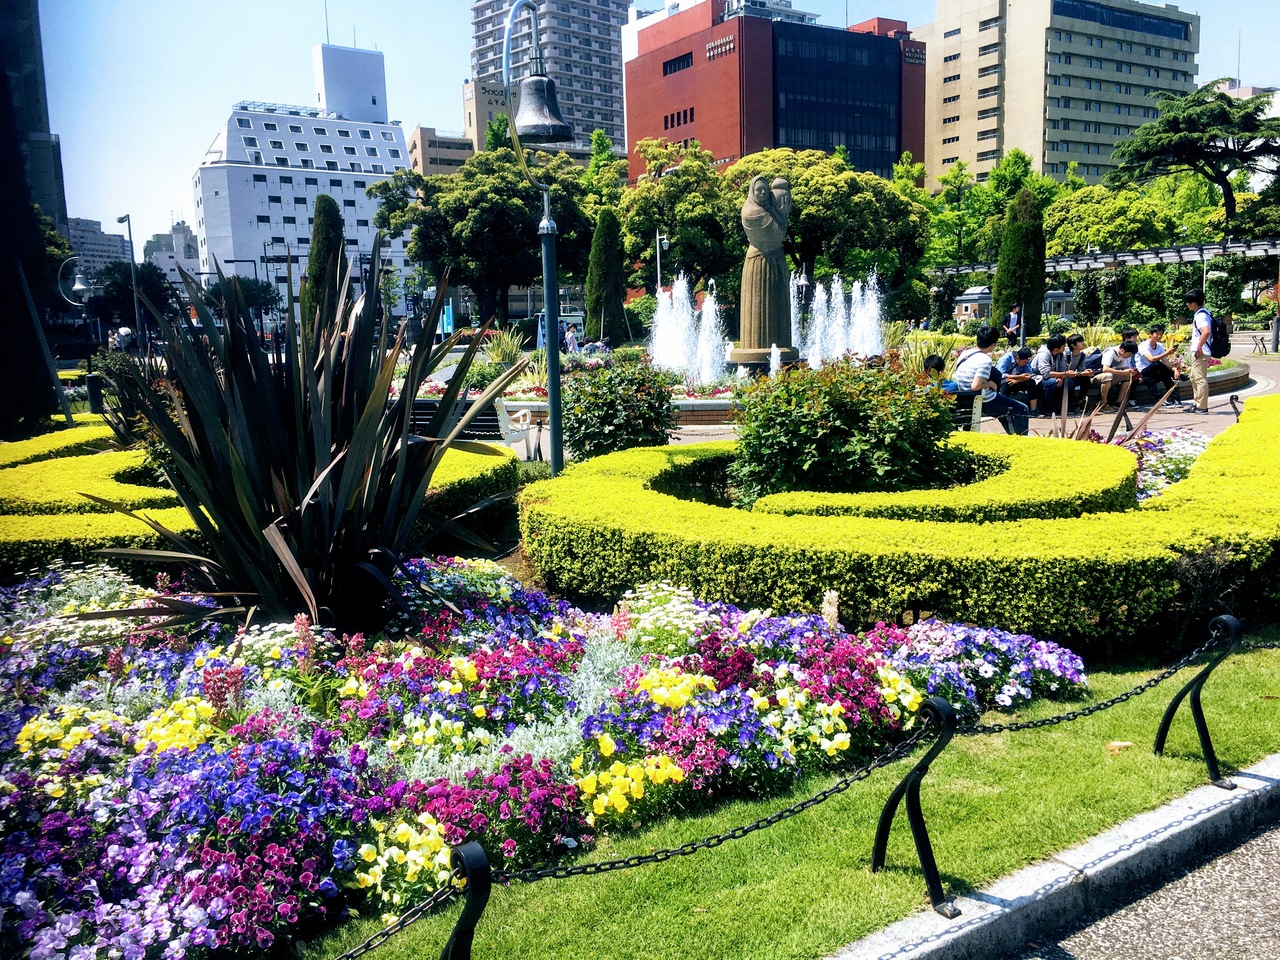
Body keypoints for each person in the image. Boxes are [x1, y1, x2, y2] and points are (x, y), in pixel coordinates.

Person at [953, 325, 1029, 434]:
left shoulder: (965, 354)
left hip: (965, 397)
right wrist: (990, 384)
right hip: (983, 399)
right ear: (993, 345)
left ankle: (1014, 436)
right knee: (1022, 409)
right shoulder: (985, 360)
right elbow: (975, 386)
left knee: (1004, 414)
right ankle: (1021, 441)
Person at [1136, 324, 1184, 406]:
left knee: (1166, 376)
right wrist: (1167, 353)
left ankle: (1175, 399)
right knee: (1157, 364)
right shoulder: (1143, 346)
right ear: (1150, 334)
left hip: (1153, 373)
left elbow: (1165, 361)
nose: (1159, 336)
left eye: (1161, 334)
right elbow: (1151, 359)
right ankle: (1179, 377)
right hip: (1143, 371)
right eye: (1157, 334)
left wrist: (1175, 369)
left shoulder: (1159, 346)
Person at [1184, 289, 1213, 414]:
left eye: (1188, 302)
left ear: (1194, 303)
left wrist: (1199, 347)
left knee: (1200, 379)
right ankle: (1197, 404)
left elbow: (1206, 331)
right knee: (1194, 378)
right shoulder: (1203, 313)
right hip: (1200, 351)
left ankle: (1202, 407)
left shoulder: (1201, 315)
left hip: (1201, 352)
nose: (1187, 304)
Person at [1031, 334, 1073, 416]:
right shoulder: (1044, 355)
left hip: (1053, 376)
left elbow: (1062, 369)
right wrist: (1063, 374)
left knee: (1069, 382)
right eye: (1063, 346)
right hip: (1037, 378)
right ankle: (1044, 406)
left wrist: (1061, 376)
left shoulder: (1061, 354)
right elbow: (1046, 373)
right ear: (1056, 348)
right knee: (1052, 382)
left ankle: (1058, 407)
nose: (1064, 347)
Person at [1097, 341, 1139, 407]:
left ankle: (1119, 402)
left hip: (1109, 377)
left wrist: (1130, 372)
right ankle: (1103, 403)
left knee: (1128, 376)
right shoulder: (1111, 352)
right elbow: (1105, 369)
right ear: (1122, 350)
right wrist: (1123, 372)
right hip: (1096, 376)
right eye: (1129, 354)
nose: (1129, 356)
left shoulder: (1122, 355)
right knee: (1108, 375)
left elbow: (1125, 368)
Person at [996, 346, 1037, 412]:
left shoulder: (1025, 360)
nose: (1025, 364)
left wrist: (1018, 380)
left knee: (1031, 382)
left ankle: (1033, 409)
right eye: (1024, 362)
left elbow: (1029, 375)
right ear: (1018, 358)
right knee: (1005, 384)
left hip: (1018, 381)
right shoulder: (1006, 359)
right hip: (1004, 381)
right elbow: (1001, 375)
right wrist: (1019, 377)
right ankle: (1003, 410)